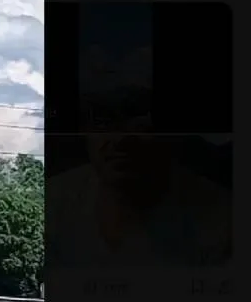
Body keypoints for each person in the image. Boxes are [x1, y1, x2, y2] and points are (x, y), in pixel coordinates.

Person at [47, 92, 232, 268]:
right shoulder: (54, 201)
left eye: (140, 126)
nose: (120, 139)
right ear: (84, 132)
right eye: (103, 124)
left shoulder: (220, 218)